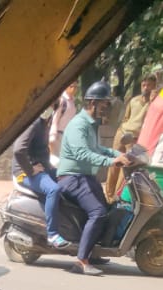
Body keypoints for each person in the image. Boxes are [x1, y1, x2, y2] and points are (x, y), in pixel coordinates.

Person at [57, 81, 131, 275]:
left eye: (107, 103)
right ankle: (81, 261)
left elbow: (98, 149)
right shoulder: (78, 125)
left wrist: (119, 154)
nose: (106, 107)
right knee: (98, 212)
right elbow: (82, 154)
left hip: (85, 177)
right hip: (72, 178)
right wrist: (112, 162)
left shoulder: (90, 125)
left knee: (107, 208)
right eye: (103, 103)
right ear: (92, 103)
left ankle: (92, 251)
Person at [12, 107, 68, 247]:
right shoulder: (35, 122)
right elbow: (19, 150)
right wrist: (30, 170)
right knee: (53, 190)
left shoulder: (44, 121)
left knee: (70, 179)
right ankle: (53, 234)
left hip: (42, 168)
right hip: (24, 173)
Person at [105, 74, 157, 199]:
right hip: (122, 133)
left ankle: (115, 199)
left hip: (134, 139)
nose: (145, 88)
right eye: (143, 85)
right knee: (113, 164)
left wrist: (153, 98)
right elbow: (126, 117)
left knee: (125, 169)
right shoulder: (133, 100)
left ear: (154, 86)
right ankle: (108, 195)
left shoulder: (154, 104)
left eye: (149, 85)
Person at [49, 81, 78, 158]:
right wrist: (53, 136)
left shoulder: (73, 101)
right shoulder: (62, 101)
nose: (74, 89)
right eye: (71, 86)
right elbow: (55, 120)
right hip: (59, 136)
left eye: (76, 87)